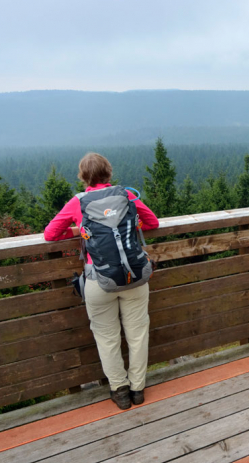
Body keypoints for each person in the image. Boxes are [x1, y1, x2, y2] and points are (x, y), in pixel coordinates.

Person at [44, 153, 160, 410]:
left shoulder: (78, 202)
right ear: (109, 173)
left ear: (83, 177)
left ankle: (120, 392)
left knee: (107, 338)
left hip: (98, 280)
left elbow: (50, 234)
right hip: (135, 278)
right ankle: (138, 389)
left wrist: (78, 229)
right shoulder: (127, 196)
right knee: (137, 335)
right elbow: (153, 222)